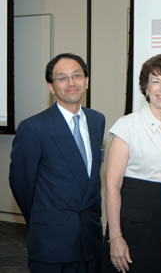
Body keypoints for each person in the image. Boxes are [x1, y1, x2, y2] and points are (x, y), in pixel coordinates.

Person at [9, 53, 105, 273]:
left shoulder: (97, 120)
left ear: (87, 81)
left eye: (77, 76)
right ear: (51, 87)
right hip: (51, 243)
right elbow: (22, 185)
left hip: (90, 239)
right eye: (62, 78)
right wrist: (45, 221)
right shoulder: (33, 128)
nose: (71, 83)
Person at [101, 54, 161, 273]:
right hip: (134, 226)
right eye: (155, 81)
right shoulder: (126, 126)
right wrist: (115, 237)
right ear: (146, 89)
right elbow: (112, 186)